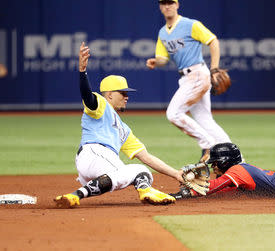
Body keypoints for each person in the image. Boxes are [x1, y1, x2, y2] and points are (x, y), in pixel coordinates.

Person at [54, 42, 184, 208]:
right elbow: (88, 97)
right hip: (94, 153)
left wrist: (176, 174)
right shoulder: (101, 105)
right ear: (109, 95)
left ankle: (75, 195)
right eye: (123, 92)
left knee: (139, 172)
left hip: (100, 167)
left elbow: (146, 157)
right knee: (138, 172)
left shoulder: (124, 130)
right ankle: (146, 191)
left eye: (127, 93)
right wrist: (82, 71)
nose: (126, 96)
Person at [146, 0, 231, 161]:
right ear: (160, 7)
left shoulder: (191, 25)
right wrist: (155, 61)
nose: (167, 6)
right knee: (205, 120)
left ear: (177, 5)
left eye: (170, 2)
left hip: (198, 73)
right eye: (163, 3)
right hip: (186, 78)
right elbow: (163, 59)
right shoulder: (163, 32)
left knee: (173, 114)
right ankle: (236, 158)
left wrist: (214, 68)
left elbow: (213, 41)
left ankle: (208, 144)